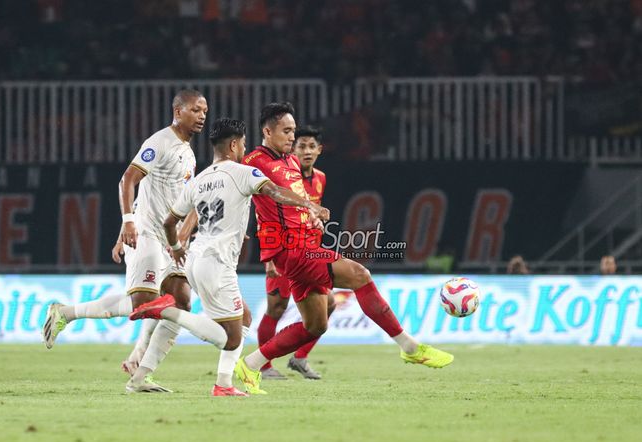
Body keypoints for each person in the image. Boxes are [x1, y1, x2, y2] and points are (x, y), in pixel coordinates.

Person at [235, 102, 454, 395]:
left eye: (293, 131)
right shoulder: (253, 162)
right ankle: (409, 346)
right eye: (286, 132)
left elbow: (295, 201)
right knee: (359, 275)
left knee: (315, 325)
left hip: (305, 243)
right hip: (290, 250)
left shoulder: (290, 163)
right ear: (267, 131)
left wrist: (311, 216)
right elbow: (266, 196)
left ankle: (251, 363)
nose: (292, 138)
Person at [129, 118, 330, 396]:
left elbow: (169, 222)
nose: (244, 149)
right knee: (230, 337)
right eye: (244, 144)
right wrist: (308, 203)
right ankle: (165, 311)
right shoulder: (242, 172)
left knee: (243, 317)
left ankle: (217, 383)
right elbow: (275, 192)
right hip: (217, 262)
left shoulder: (200, 179)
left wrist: (176, 247)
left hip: (195, 258)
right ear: (234, 144)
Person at [43, 89, 207, 393]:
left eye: (205, 112)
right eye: (196, 110)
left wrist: (181, 235)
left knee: (182, 301)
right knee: (143, 304)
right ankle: (64, 313)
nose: (201, 117)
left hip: (168, 240)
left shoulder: (188, 151)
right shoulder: (159, 142)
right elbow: (127, 180)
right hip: (146, 233)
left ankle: (139, 371)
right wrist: (128, 223)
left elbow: (171, 197)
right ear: (178, 110)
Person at [258, 126, 335, 380]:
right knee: (276, 307)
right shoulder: (280, 175)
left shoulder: (321, 178)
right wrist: (268, 257)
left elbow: (312, 212)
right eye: (301, 146)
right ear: (293, 148)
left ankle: (300, 357)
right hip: (283, 249)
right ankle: (264, 365)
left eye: (312, 146)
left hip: (310, 250)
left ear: (319, 150)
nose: (306, 151)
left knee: (331, 303)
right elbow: (263, 213)